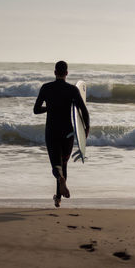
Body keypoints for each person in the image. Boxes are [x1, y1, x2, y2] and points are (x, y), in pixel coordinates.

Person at [33, 61, 90, 207]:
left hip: (52, 131)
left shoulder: (46, 88)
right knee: (64, 163)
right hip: (68, 133)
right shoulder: (72, 90)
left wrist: (50, 107)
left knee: (56, 164)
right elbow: (84, 111)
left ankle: (60, 182)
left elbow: (36, 110)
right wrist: (86, 130)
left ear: (54, 72)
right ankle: (58, 197)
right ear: (67, 73)